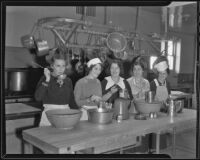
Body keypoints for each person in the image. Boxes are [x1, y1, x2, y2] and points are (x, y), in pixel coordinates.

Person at [35, 49, 78, 126]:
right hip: (50, 116)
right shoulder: (45, 79)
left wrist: (77, 113)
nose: (61, 69)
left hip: (65, 114)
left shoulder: (68, 80)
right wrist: (47, 80)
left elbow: (71, 100)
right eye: (58, 66)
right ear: (52, 66)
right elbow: (38, 97)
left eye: (63, 66)